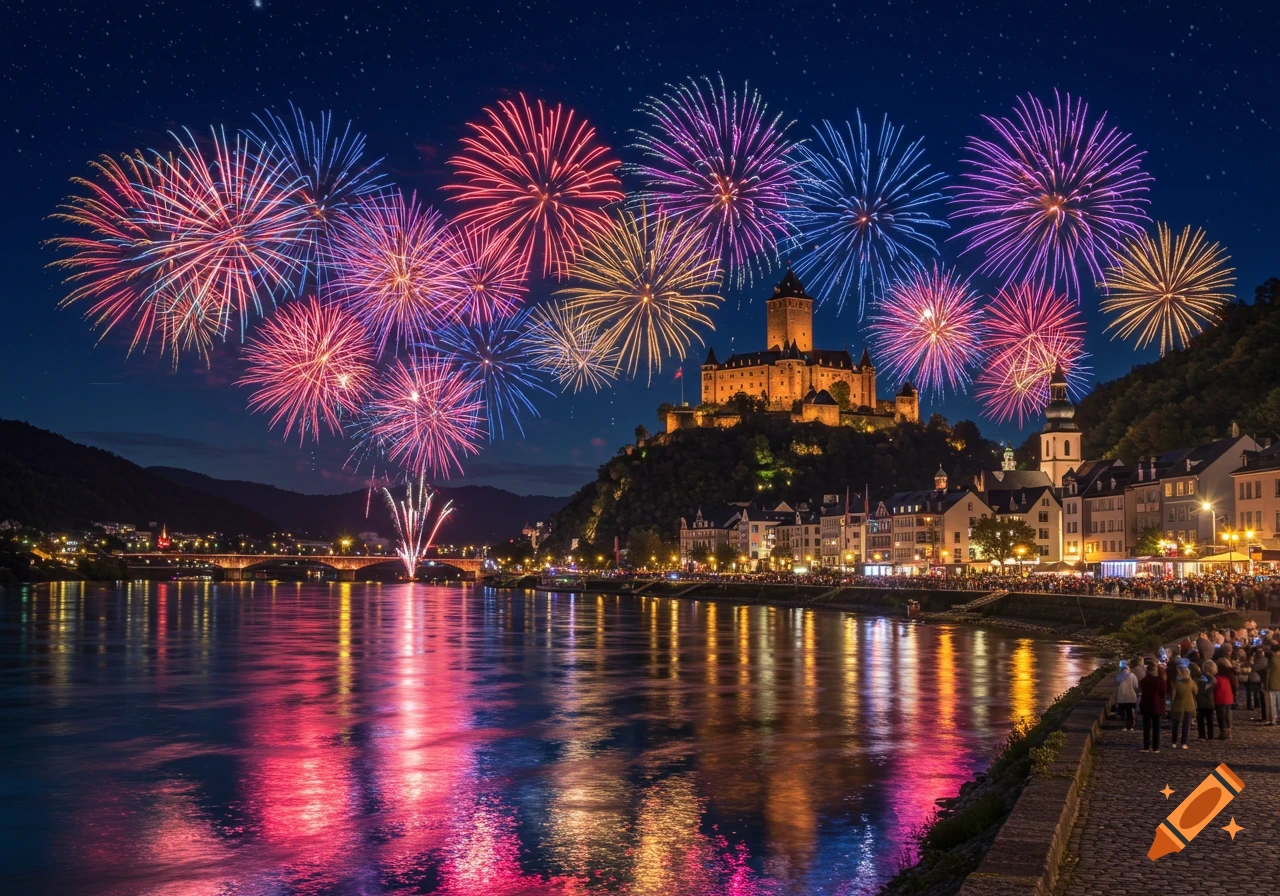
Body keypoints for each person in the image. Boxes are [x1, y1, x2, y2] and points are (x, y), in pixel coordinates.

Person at [1139, 662, 1167, 753]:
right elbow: (1163, 693)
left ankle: (1146, 746)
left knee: (1146, 727)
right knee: (1156, 727)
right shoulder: (1161, 681)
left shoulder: (1143, 681)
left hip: (1146, 704)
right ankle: (1156, 747)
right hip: (1157, 705)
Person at [1169, 664, 1197, 749]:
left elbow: (1173, 696)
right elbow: (1196, 691)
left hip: (1178, 706)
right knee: (1186, 725)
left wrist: (1171, 706)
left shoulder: (1177, 683)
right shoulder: (1191, 682)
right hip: (1189, 705)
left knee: (1176, 725)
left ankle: (1174, 742)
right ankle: (1183, 743)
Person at [1213, 658, 1234, 740]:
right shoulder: (1229, 676)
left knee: (1221, 716)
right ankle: (1228, 732)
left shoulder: (1217, 677)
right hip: (1228, 698)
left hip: (1220, 698)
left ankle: (1224, 733)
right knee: (1227, 715)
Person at [1195, 661, 1217, 741]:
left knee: (1200, 719)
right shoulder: (1213, 679)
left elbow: (1199, 688)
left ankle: (1202, 735)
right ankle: (1210, 735)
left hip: (1200, 701)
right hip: (1210, 700)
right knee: (1209, 719)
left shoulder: (1200, 677)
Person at [1115, 661, 1139, 732]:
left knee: (1123, 712)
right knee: (1130, 712)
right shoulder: (1132, 676)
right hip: (1131, 697)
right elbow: (1136, 686)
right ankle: (1130, 726)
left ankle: (1125, 726)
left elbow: (1116, 684)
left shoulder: (1118, 676)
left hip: (1121, 697)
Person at [1266, 648, 1280, 726]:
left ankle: (1274, 720)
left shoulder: (1271, 660)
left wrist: (1266, 685)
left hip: (1272, 684)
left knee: (1273, 704)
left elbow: (1268, 673)